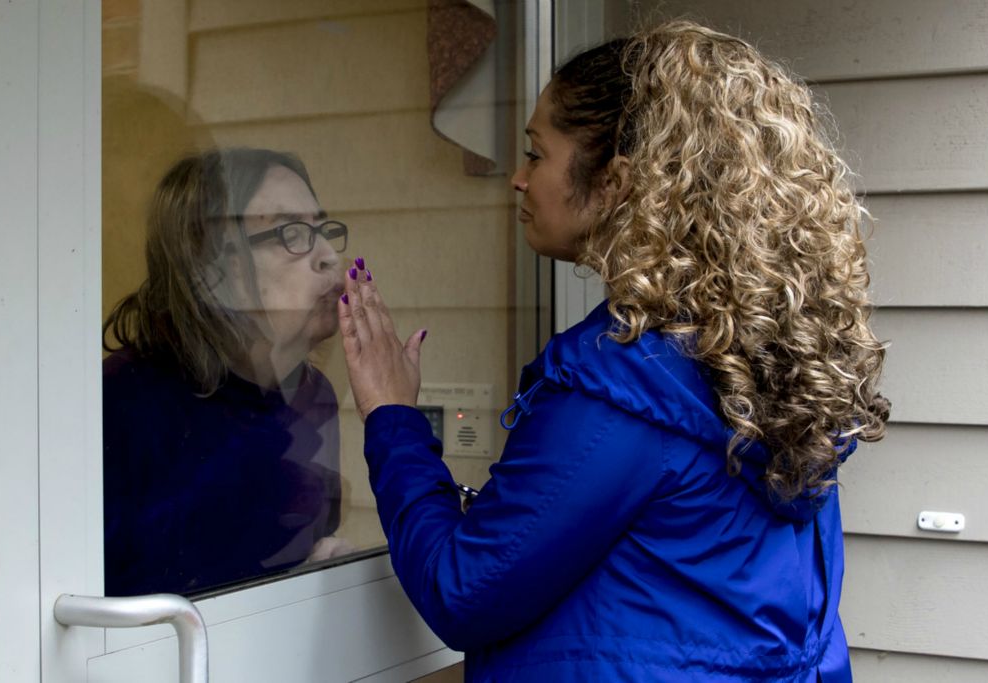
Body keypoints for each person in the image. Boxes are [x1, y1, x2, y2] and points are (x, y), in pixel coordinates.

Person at [338, 20, 889, 683]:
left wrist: (392, 418)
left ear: (616, 184)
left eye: (536, 153)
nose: (517, 178)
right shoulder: (758, 351)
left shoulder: (625, 390)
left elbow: (463, 591)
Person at [103, 148, 352, 597]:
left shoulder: (313, 395)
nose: (329, 256)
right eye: (292, 232)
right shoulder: (121, 402)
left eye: (322, 229)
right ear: (213, 264)